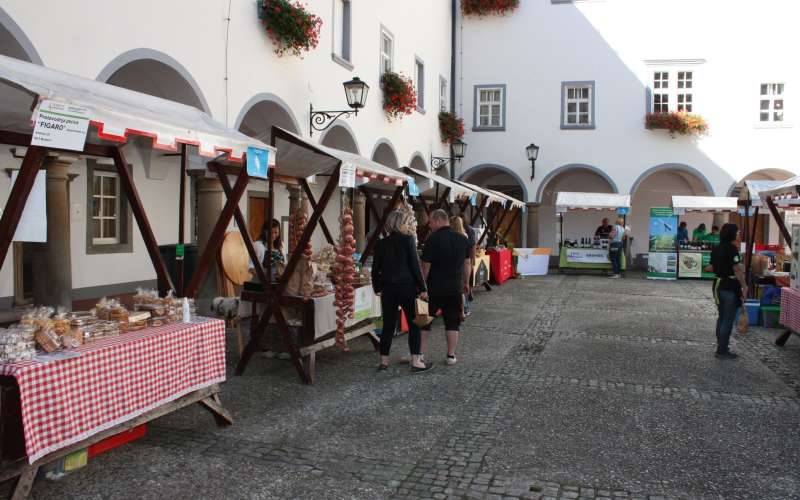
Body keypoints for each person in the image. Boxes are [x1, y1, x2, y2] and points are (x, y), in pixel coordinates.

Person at [371, 211, 434, 373]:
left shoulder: (381, 243)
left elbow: (375, 269)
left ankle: (383, 362)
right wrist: (423, 288)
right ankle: (416, 361)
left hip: (388, 289)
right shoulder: (408, 240)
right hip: (407, 287)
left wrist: (377, 288)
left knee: (388, 326)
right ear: (401, 223)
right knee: (414, 325)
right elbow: (415, 266)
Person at [420, 209, 470, 366]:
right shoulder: (462, 239)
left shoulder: (432, 239)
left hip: (433, 288)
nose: (430, 225)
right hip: (454, 287)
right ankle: (450, 355)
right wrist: (466, 283)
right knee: (452, 322)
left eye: (431, 222)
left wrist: (422, 286)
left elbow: (425, 266)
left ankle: (419, 354)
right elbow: (467, 264)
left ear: (438, 220)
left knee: (424, 321)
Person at [709, 223, 747, 359]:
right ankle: (722, 350)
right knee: (728, 319)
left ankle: (721, 347)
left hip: (717, 285)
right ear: (731, 233)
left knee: (721, 316)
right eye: (737, 232)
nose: (738, 234)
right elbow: (736, 269)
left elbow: (712, 268)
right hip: (729, 286)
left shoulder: (716, 248)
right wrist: (744, 286)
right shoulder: (732, 249)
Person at [449, 216, 471, 319]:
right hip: (462, 265)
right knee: (462, 289)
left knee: (457, 289)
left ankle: (459, 310)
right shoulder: (464, 236)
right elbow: (467, 258)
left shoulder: (449, 237)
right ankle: (463, 310)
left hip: (454, 265)